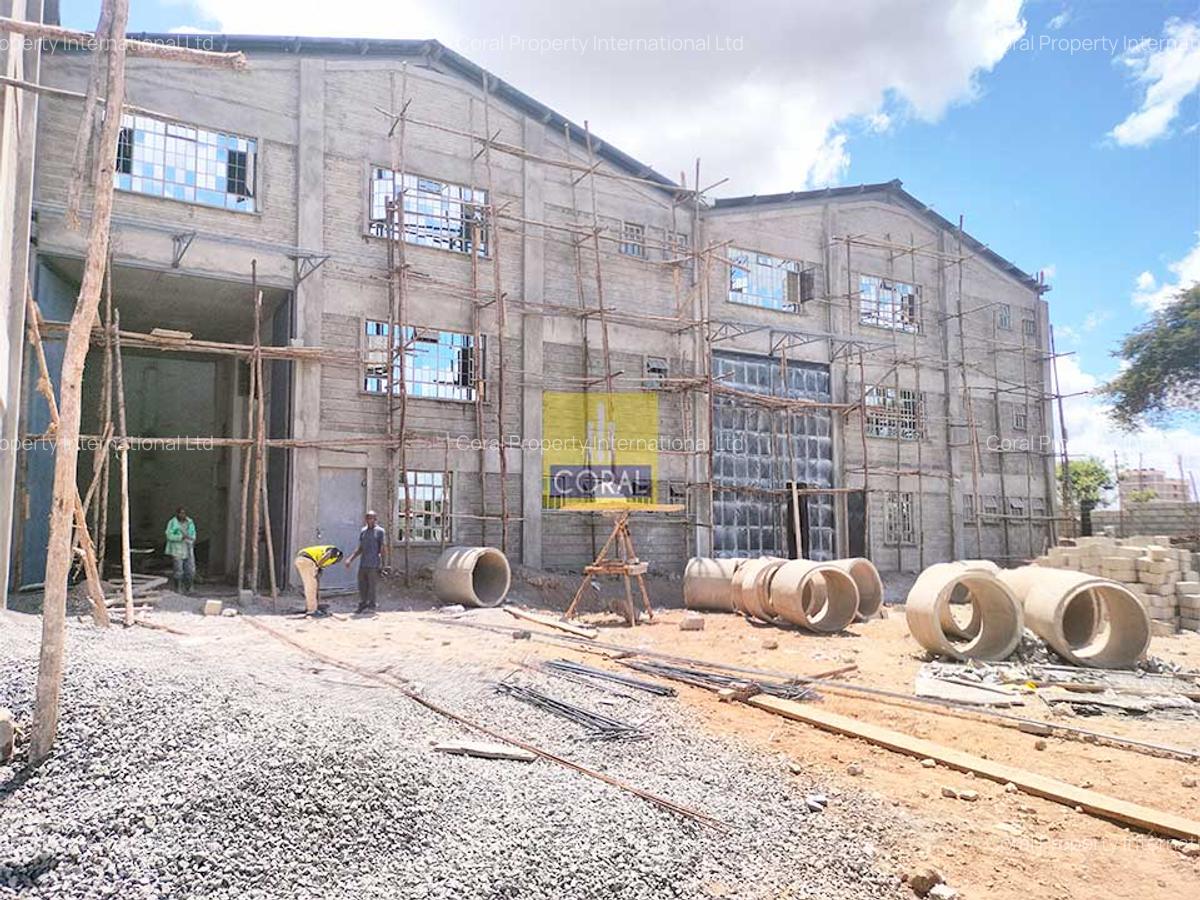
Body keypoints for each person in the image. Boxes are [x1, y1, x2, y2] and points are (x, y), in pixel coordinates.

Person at [345, 510, 387, 614]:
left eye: (372, 518)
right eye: (368, 518)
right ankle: (363, 603)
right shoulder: (363, 531)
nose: (369, 520)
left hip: (374, 563)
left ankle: (371, 606)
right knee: (362, 584)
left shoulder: (380, 531)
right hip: (363, 563)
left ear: (375, 519)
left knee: (372, 586)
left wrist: (383, 564)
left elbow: (382, 548)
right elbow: (360, 548)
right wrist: (350, 559)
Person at [293, 544, 344, 616]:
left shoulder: (323, 561)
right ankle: (312, 610)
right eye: (338, 560)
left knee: (312, 585)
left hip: (303, 560)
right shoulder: (335, 551)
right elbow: (327, 555)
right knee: (311, 586)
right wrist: (318, 566)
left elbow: (318, 577)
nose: (336, 562)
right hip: (308, 560)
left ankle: (312, 606)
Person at [164, 508, 196, 594]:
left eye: (184, 513)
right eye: (181, 513)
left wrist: (190, 539)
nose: (183, 515)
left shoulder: (190, 522)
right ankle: (178, 587)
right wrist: (180, 538)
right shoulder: (172, 523)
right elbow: (169, 535)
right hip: (177, 549)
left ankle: (189, 587)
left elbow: (193, 534)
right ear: (177, 514)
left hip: (188, 548)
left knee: (190, 569)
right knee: (178, 570)